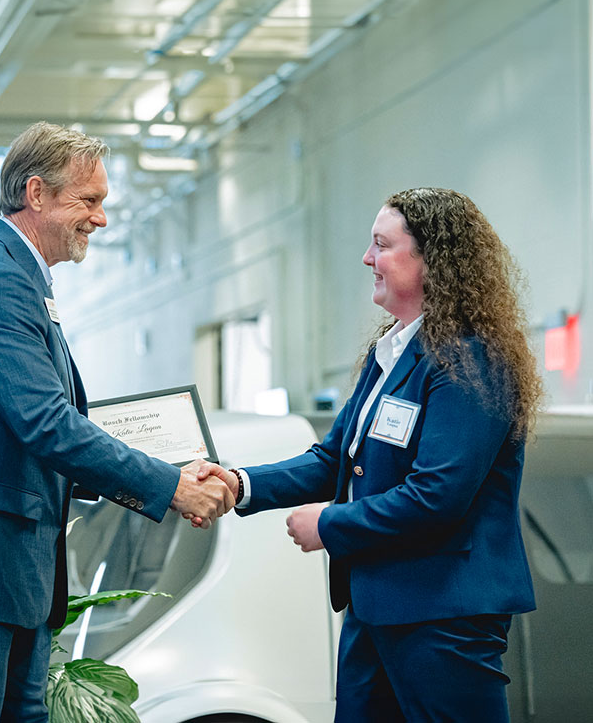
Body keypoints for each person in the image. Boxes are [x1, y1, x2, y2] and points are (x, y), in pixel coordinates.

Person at [0, 121, 234, 722]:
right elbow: (47, 424)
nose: (101, 218)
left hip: (3, 573)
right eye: (88, 201)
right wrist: (170, 487)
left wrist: (164, 472)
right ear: (36, 195)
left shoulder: (20, 280)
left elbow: (41, 430)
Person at [190, 187, 542, 722]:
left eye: (381, 244)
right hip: (375, 609)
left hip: (443, 616)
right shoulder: (392, 354)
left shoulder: (471, 359)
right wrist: (240, 483)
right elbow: (334, 460)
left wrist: (331, 524)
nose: (366, 258)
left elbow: (436, 496)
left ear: (432, 260)